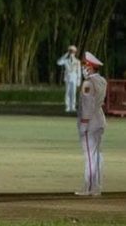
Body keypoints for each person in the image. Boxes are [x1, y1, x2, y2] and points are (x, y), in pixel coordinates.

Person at [75, 51, 107, 197]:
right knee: (97, 155)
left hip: (90, 123)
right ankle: (97, 187)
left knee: (89, 156)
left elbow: (87, 104)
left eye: (85, 66)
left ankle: (89, 187)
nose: (83, 68)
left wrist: (83, 124)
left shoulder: (88, 83)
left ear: (90, 67)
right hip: (99, 120)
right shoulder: (102, 81)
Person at [58, 45, 82, 114]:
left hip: (74, 77)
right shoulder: (65, 60)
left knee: (73, 93)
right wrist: (66, 55)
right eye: (70, 51)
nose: (72, 53)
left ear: (75, 52)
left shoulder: (77, 61)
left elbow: (79, 71)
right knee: (67, 92)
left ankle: (73, 107)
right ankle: (68, 106)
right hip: (68, 77)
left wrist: (78, 81)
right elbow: (59, 62)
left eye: (73, 51)